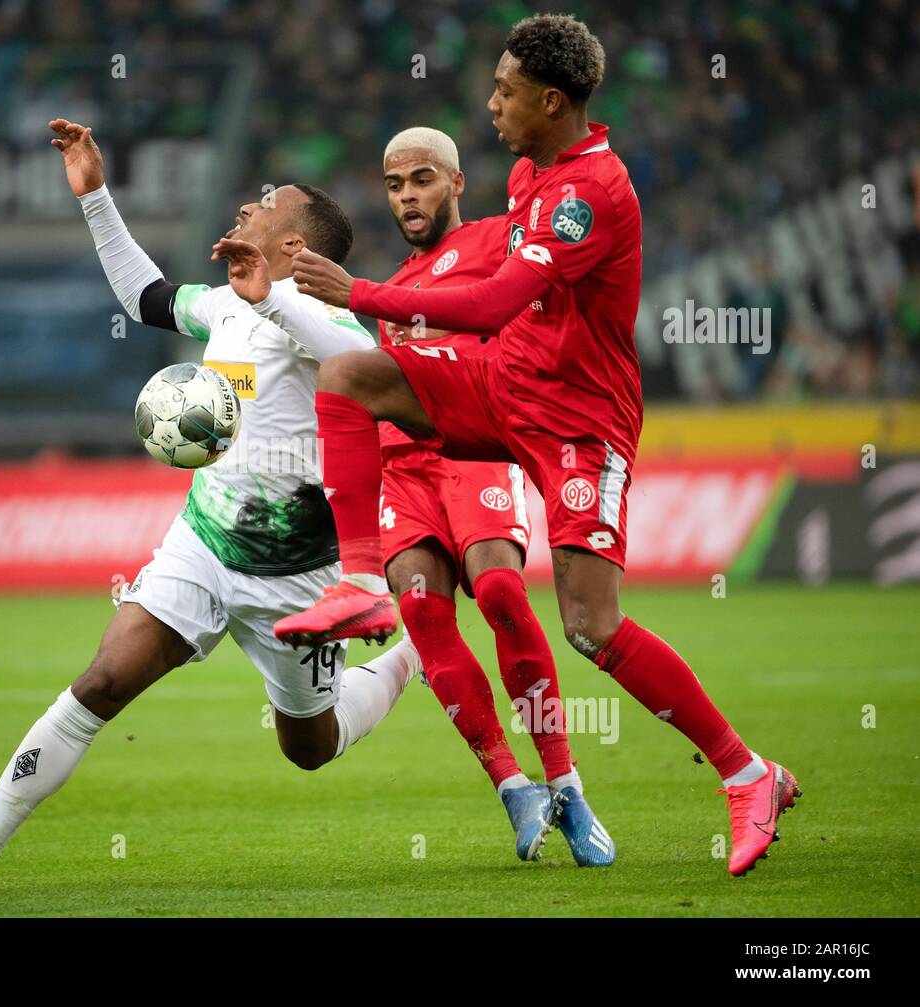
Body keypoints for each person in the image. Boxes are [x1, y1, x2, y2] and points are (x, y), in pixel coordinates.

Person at [274, 15, 799, 878]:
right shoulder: (530, 171)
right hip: (504, 388)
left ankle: (748, 774)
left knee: (591, 627)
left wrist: (356, 288)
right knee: (350, 380)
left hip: (577, 421)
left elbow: (490, 306)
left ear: (550, 100)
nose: (491, 104)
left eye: (505, 91)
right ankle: (360, 583)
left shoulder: (593, 194)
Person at [0, 119, 419, 897]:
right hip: (202, 544)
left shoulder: (323, 317)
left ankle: (409, 661)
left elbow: (357, 363)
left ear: (298, 244)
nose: (245, 206)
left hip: (297, 575)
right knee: (102, 680)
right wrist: (95, 192)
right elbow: (145, 296)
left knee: (309, 745)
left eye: (265, 204)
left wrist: (276, 298)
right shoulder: (227, 305)